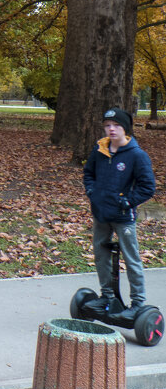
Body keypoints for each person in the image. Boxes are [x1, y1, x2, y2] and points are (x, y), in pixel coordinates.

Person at [83, 107, 156, 317]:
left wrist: (126, 202)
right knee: (101, 256)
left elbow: (147, 187)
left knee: (131, 259)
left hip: (123, 218)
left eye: (116, 125)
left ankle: (138, 303)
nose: (111, 129)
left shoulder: (136, 155)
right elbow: (88, 174)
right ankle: (107, 296)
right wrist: (92, 193)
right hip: (101, 214)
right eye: (107, 126)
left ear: (125, 129)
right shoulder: (99, 151)